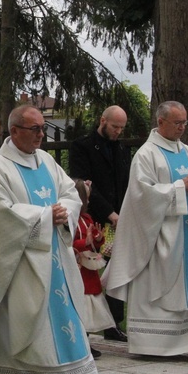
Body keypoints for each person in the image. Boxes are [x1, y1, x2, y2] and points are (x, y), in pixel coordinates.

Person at [0, 104, 119, 374]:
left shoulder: (48, 162)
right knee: (28, 327)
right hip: (20, 265)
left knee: (69, 324)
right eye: (35, 129)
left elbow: (70, 192)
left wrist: (64, 211)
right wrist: (43, 215)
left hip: (56, 261)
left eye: (43, 129)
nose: (41, 135)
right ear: (14, 132)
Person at [101, 101, 188, 358]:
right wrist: (180, 187)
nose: (182, 128)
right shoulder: (146, 155)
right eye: (177, 123)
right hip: (159, 238)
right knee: (158, 288)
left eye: (184, 123)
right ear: (161, 122)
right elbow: (141, 196)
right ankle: (153, 344)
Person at [69, 105, 132, 342]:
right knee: (89, 270)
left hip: (118, 219)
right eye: (115, 126)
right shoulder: (82, 146)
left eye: (121, 128)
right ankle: (84, 322)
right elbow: (84, 185)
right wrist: (109, 213)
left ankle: (113, 323)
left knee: (116, 269)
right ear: (102, 120)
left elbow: (126, 184)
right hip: (94, 217)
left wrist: (123, 213)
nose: (118, 131)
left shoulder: (123, 149)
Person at [72, 179, 115, 359]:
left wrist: (98, 239)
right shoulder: (71, 220)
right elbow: (70, 242)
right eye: (86, 199)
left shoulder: (87, 218)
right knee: (80, 303)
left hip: (88, 268)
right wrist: (85, 242)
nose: (88, 202)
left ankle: (87, 340)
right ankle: (80, 342)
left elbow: (95, 241)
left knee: (90, 305)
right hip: (77, 267)